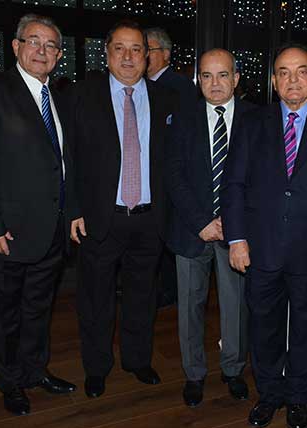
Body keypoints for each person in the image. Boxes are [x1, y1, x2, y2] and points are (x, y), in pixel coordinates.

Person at [222, 42, 307, 428]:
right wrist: (236, 239)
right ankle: (268, 394)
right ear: (274, 80)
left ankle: (297, 396)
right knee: (262, 326)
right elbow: (234, 184)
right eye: (283, 72)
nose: (292, 80)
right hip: (259, 247)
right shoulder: (251, 122)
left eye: (301, 71)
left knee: (306, 329)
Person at [0, 13, 77, 416]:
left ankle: (34, 369)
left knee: (37, 310)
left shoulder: (57, 96)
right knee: (2, 316)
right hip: (3, 234)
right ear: (15, 46)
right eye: (34, 41)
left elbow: (60, 163)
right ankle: (10, 380)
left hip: (49, 232)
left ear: (58, 55)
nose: (42, 51)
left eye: (50, 45)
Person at [69, 20, 175, 399]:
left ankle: (137, 359)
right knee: (95, 300)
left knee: (142, 296)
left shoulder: (168, 100)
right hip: (101, 218)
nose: (128, 57)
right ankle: (97, 367)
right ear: (107, 53)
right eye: (120, 48)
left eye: (136, 49)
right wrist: (74, 209)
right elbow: (69, 158)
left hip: (149, 219)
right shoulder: (83, 95)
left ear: (147, 56)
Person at [165, 48, 253, 407]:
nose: (214, 83)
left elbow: (261, 179)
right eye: (206, 76)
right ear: (197, 79)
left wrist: (234, 224)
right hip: (192, 229)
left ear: (236, 78)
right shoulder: (181, 117)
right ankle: (194, 373)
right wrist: (202, 222)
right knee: (190, 306)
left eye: (222, 75)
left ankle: (233, 369)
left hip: (237, 233)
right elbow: (173, 174)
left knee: (236, 306)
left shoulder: (256, 119)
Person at [145, 27, 198, 309]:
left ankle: (168, 291)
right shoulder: (141, 85)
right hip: (148, 177)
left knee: (167, 235)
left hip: (171, 175)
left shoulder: (179, 87)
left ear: (165, 54)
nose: (143, 55)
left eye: (148, 49)